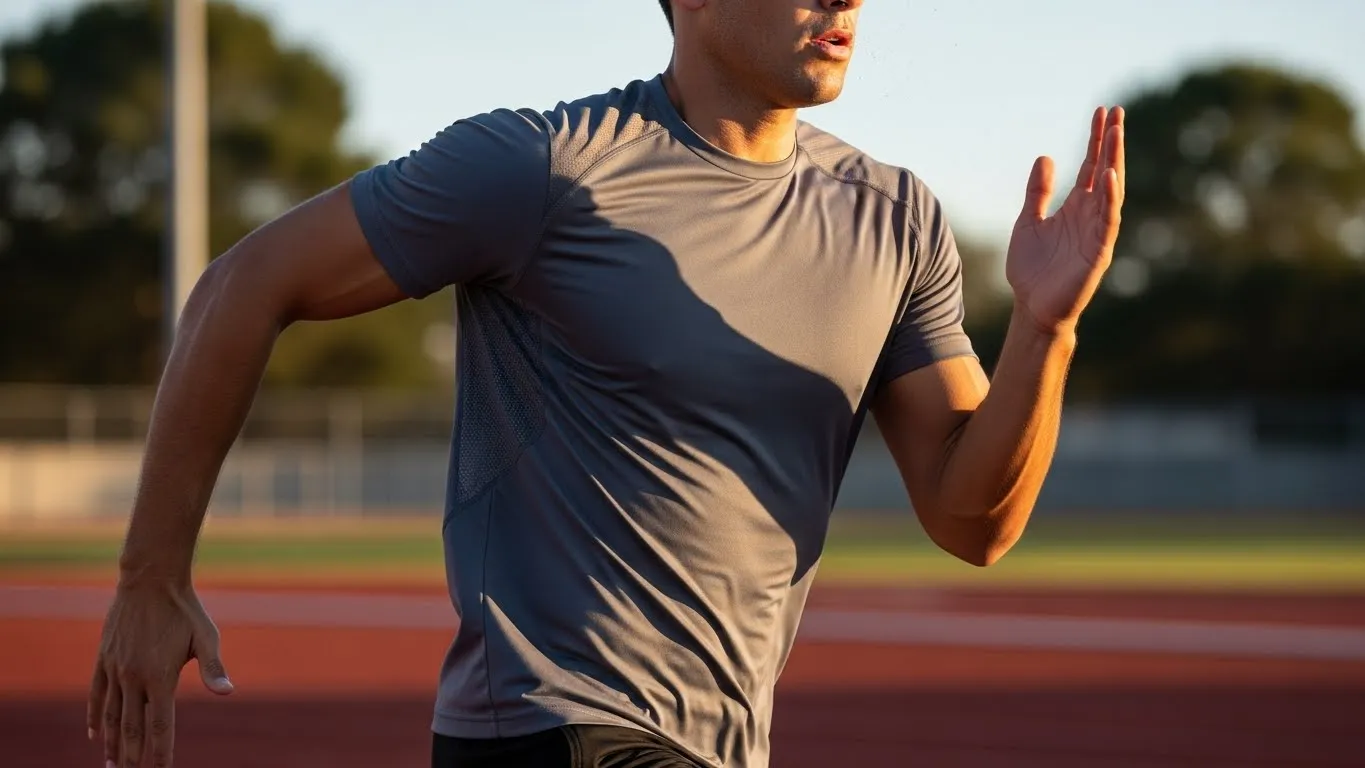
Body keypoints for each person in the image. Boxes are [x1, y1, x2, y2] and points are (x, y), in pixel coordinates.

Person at [87, 0, 1126, 766]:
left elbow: (971, 518)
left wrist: (1045, 328)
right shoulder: (540, 168)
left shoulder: (896, 220)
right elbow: (242, 282)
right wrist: (149, 576)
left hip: (722, 745)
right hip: (550, 730)